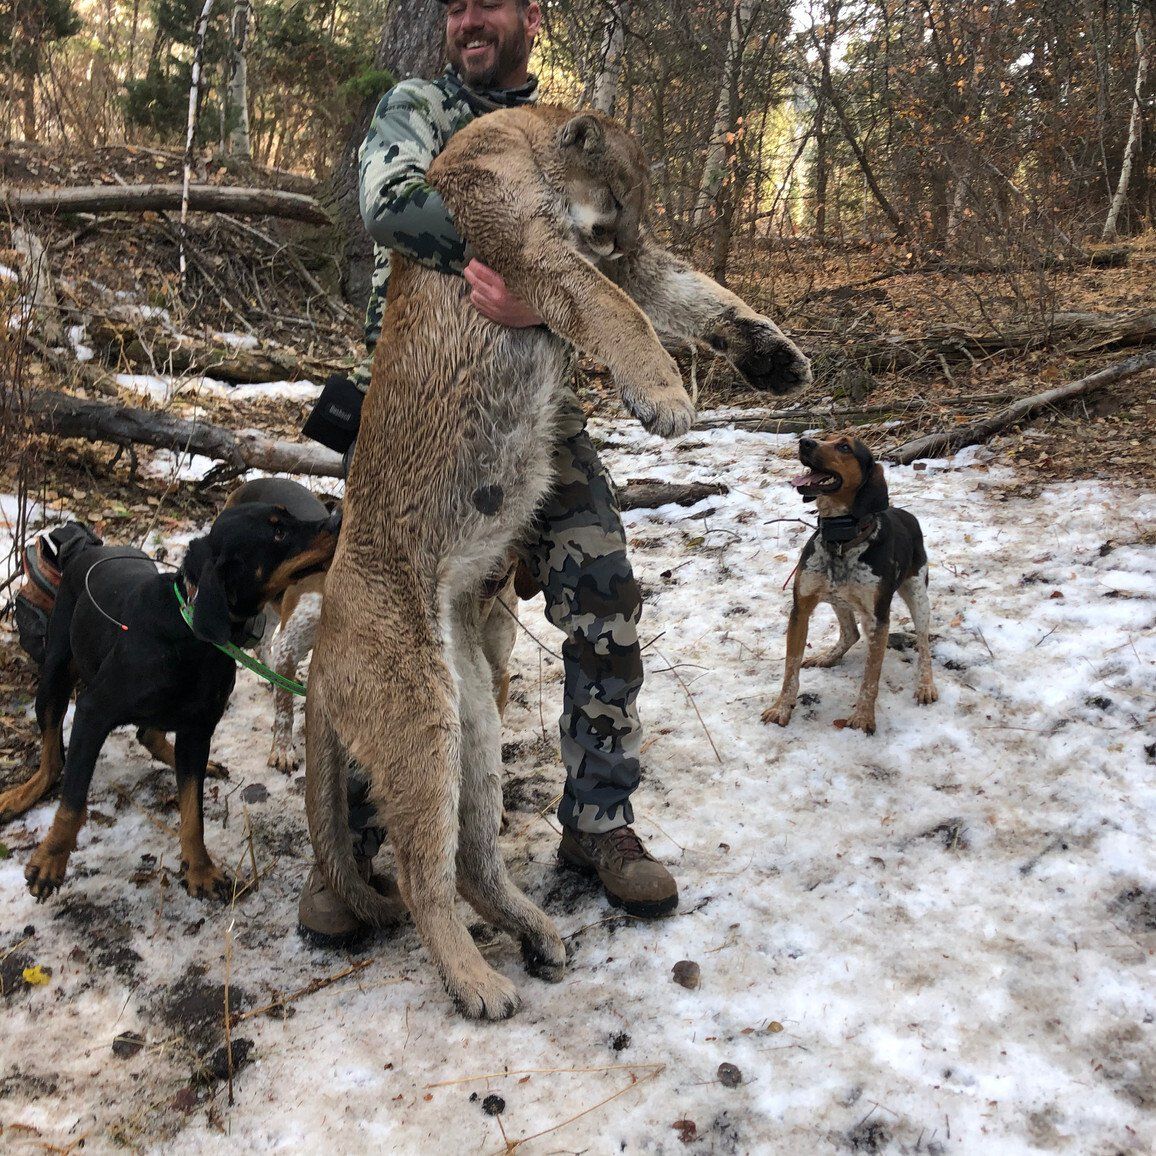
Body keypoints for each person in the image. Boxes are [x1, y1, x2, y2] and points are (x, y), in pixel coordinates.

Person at [298, 0, 679, 947]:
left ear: (531, 18)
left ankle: (599, 824)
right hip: (425, 414)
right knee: (385, 619)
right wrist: (520, 262)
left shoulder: (567, 139)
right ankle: (351, 851)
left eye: (489, 4)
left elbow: (618, 263)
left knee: (602, 585)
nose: (468, 18)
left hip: (534, 417)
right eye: (455, 4)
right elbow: (389, 204)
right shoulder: (420, 107)